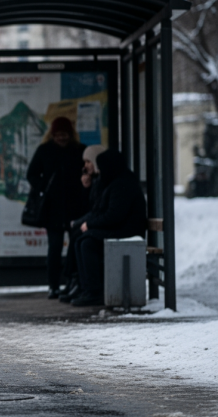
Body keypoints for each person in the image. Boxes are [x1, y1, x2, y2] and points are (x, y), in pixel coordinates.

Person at [71, 149, 147, 306]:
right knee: (81, 239)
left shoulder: (122, 184)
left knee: (87, 243)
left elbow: (114, 215)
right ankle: (87, 288)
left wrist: (90, 224)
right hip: (121, 227)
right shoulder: (114, 181)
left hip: (127, 231)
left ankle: (93, 291)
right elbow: (100, 209)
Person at [26, 116, 87, 299]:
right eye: (58, 135)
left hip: (75, 207)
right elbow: (32, 174)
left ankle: (71, 282)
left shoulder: (79, 150)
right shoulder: (44, 151)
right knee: (54, 247)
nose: (62, 138)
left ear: (71, 134)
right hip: (52, 208)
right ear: (52, 135)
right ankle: (53, 285)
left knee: (74, 245)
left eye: (65, 134)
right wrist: (45, 187)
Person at [60, 144, 106, 303]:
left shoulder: (103, 181)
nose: (85, 166)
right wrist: (86, 187)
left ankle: (81, 283)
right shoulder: (96, 180)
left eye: (88, 161)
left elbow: (96, 209)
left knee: (82, 239)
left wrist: (84, 223)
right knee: (77, 235)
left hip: (108, 227)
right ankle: (75, 280)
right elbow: (91, 206)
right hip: (100, 222)